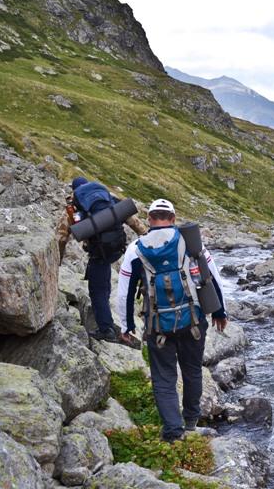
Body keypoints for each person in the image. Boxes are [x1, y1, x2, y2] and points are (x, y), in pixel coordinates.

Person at [115, 198, 229, 443]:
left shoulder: (135, 249)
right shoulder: (190, 241)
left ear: (149, 218)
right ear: (173, 218)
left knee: (164, 378)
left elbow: (124, 291)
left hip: (158, 326)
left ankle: (173, 433)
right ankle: (190, 424)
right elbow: (213, 278)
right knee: (192, 372)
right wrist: (221, 313)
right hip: (193, 322)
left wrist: (126, 326)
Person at [56, 177, 148, 341]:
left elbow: (62, 238)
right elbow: (132, 220)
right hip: (117, 248)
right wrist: (146, 236)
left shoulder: (74, 207)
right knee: (103, 284)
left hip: (99, 252)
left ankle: (106, 330)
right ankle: (108, 321)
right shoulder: (107, 198)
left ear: (75, 190)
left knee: (97, 291)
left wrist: (57, 261)